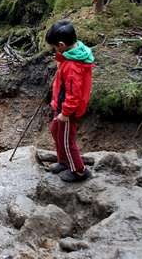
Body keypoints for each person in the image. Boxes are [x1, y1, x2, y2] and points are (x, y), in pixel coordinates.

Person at [45, 20, 94, 182]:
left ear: (61, 45)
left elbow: (73, 93)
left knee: (67, 140)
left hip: (68, 110)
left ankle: (79, 171)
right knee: (55, 130)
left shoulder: (73, 66)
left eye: (54, 47)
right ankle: (64, 161)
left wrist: (66, 112)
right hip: (60, 105)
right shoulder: (72, 52)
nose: (54, 51)